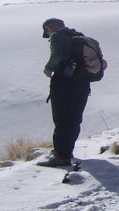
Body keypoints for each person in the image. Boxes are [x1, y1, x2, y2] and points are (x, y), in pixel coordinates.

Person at [38, 18, 92, 167]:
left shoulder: (57, 36)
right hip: (82, 83)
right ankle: (67, 151)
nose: (48, 35)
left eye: (47, 31)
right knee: (74, 119)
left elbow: (57, 55)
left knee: (61, 119)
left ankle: (61, 156)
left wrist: (48, 68)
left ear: (50, 28)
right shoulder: (78, 35)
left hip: (64, 83)